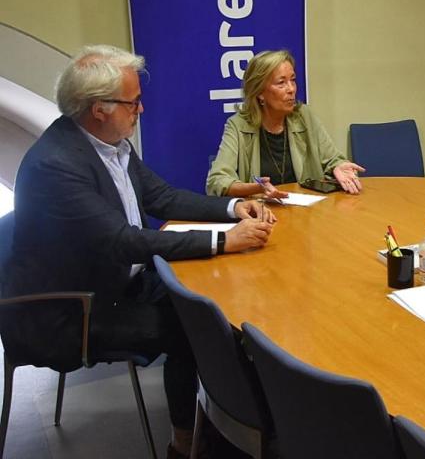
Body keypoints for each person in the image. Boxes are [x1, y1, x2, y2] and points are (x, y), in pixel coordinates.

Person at [1, 45, 275, 459]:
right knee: (196, 330)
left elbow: (161, 197)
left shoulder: (111, 143)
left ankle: (228, 419)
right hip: (71, 310)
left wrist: (231, 208)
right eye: (133, 102)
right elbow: (123, 241)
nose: (140, 110)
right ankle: (186, 445)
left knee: (215, 305)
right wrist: (225, 240)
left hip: (114, 283)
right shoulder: (56, 165)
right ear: (98, 108)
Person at [206, 50, 364, 198]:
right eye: (281, 83)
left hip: (307, 215)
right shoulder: (238, 126)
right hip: (262, 216)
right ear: (260, 92)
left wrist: (339, 166)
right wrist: (256, 188)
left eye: (293, 80)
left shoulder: (304, 116)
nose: (291, 89)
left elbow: (332, 159)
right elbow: (217, 181)